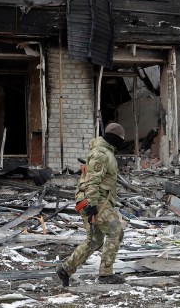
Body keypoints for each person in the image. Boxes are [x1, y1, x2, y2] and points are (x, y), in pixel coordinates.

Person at [56, 122, 126, 286]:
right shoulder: (101, 153)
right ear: (116, 139)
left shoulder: (106, 152)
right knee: (116, 231)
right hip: (95, 200)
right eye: (122, 139)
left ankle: (66, 268)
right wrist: (92, 204)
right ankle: (106, 275)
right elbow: (92, 181)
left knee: (94, 239)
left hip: (93, 199)